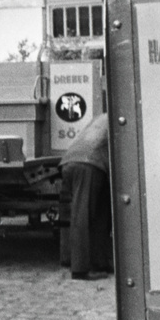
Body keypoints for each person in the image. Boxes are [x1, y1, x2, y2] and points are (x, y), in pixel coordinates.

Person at [60, 113, 112, 281]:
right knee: (82, 216)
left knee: (100, 214)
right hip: (89, 163)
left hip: (74, 161)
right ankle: (80, 270)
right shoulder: (122, 116)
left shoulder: (102, 117)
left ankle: (99, 263)